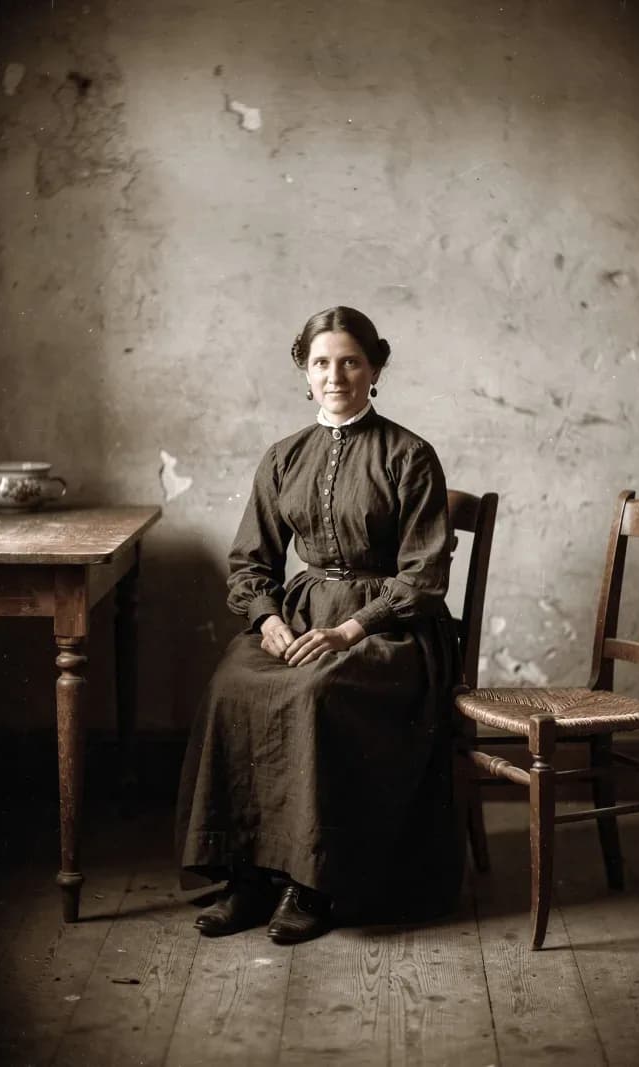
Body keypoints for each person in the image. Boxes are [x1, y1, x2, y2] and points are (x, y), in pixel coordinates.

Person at [175, 306, 461, 944]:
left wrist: (349, 631)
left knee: (315, 692)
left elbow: (423, 577)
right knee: (233, 683)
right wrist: (268, 618)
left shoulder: (409, 455)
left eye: (351, 361)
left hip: (392, 633)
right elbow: (251, 562)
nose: (336, 376)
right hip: (302, 616)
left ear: (375, 368)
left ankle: (314, 885)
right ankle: (251, 877)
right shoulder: (282, 457)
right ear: (305, 372)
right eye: (322, 363)